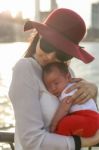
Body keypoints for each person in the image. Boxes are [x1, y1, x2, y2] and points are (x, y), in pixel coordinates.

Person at [9, 8, 99, 150]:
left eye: (63, 54)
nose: (51, 56)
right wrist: (86, 142)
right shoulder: (25, 69)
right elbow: (31, 141)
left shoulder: (69, 72)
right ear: (39, 35)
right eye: (48, 45)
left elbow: (83, 112)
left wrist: (93, 93)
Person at [42, 62, 99, 137]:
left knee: (64, 123)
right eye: (48, 86)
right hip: (91, 119)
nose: (53, 88)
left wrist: (54, 124)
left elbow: (64, 107)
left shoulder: (69, 89)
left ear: (68, 77)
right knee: (68, 122)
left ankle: (58, 137)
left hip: (89, 118)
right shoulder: (71, 87)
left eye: (56, 83)